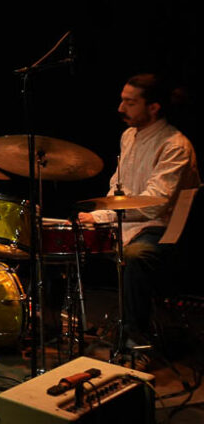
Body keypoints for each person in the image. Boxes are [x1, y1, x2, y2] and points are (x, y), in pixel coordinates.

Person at [78, 73, 200, 360]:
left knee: (135, 255)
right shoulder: (129, 136)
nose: (121, 108)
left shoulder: (175, 145)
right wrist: (97, 216)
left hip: (163, 229)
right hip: (127, 222)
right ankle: (67, 323)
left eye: (130, 103)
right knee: (68, 231)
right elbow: (118, 187)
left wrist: (103, 217)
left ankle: (136, 343)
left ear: (154, 107)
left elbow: (154, 205)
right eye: (122, 100)